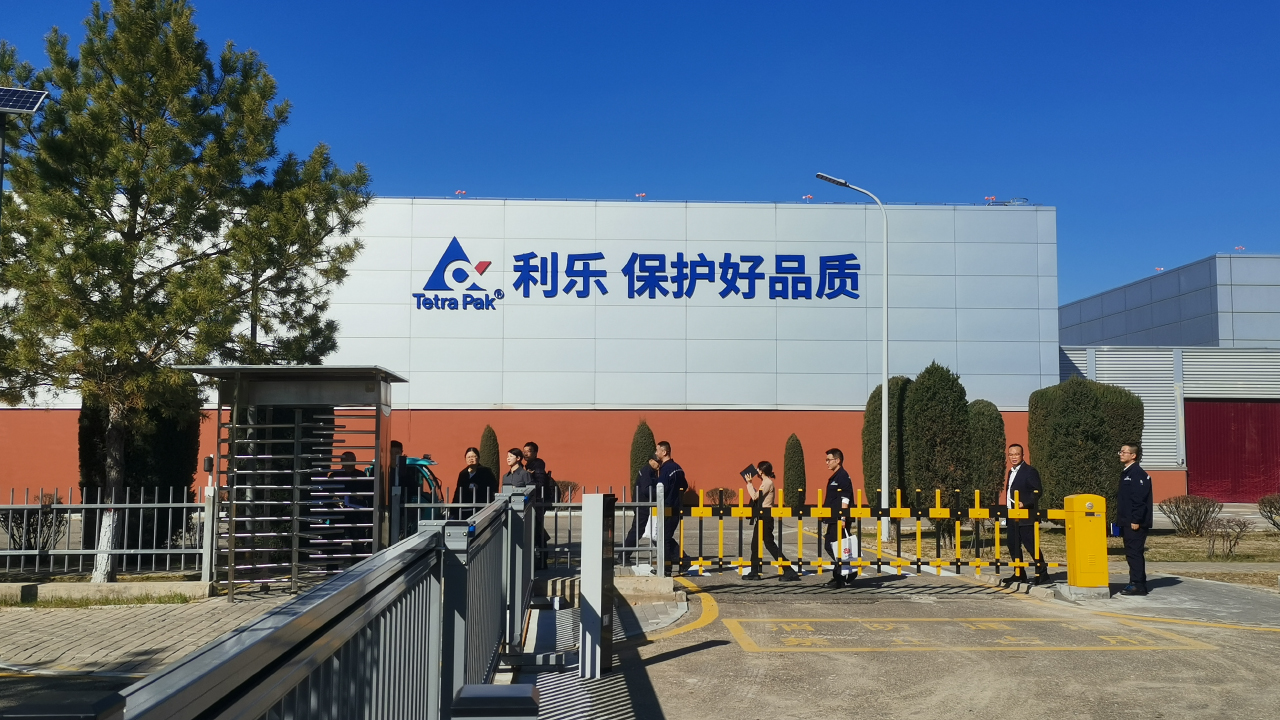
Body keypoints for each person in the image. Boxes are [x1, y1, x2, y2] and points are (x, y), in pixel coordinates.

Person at [741, 461, 800, 582]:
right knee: (755, 544)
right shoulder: (765, 482)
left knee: (769, 544)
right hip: (762, 516)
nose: (757, 471)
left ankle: (789, 570)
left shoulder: (768, 483)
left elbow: (755, 496)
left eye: (758, 469)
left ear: (762, 471)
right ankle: (754, 571)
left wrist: (749, 483)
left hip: (766, 517)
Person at [1001, 444, 1048, 587]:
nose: (1013, 457)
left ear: (1023, 455)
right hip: (1012, 514)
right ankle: (1019, 573)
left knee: (1031, 545)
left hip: (1026, 516)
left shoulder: (1030, 471)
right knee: (1013, 544)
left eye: (1016, 454)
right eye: (1011, 454)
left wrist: (1025, 503)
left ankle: (1042, 573)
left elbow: (1037, 491)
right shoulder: (1011, 472)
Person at [1117, 443, 1153, 596]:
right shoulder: (1127, 473)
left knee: (1134, 553)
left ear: (1133, 455)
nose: (1121, 454)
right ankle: (1136, 582)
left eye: (1124, 452)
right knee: (1131, 553)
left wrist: (1136, 520)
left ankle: (1138, 585)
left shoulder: (1137, 474)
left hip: (1134, 523)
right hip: (1127, 521)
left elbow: (1139, 500)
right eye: (1120, 452)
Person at [821, 449, 854, 587]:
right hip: (833, 518)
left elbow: (845, 498)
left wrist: (843, 517)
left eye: (829, 460)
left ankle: (841, 576)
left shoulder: (842, 476)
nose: (826, 462)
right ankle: (845, 572)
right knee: (833, 546)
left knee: (834, 547)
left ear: (837, 460)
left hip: (839, 518)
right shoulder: (836, 476)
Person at [654, 440, 688, 574]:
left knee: (664, 539)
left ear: (664, 452)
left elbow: (661, 488)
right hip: (676, 506)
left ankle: (666, 569)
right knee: (666, 537)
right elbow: (684, 485)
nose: (656, 453)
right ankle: (683, 560)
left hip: (667, 507)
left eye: (658, 450)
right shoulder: (678, 468)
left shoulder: (666, 470)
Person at [622, 456, 661, 563]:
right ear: (651, 461)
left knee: (648, 530)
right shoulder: (647, 471)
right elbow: (646, 489)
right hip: (642, 505)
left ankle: (624, 555)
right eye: (657, 462)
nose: (659, 464)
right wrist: (659, 494)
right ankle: (624, 556)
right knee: (637, 530)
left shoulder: (651, 471)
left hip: (644, 505)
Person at [452, 447, 497, 519]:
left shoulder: (486, 472)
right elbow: (458, 492)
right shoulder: (463, 474)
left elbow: (493, 487)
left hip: (481, 508)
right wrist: (453, 509)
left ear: (478, 458)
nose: (471, 459)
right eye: (468, 457)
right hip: (464, 509)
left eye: (473, 456)